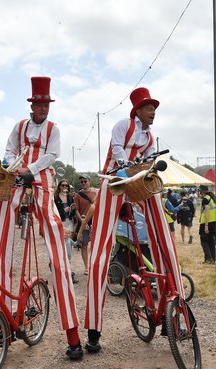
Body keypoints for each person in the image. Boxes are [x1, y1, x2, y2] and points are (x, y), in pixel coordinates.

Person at [0, 76, 82, 359]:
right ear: (33, 105)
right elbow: (8, 151)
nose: (44, 109)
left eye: (47, 105)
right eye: (40, 105)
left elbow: (51, 156)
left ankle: (73, 336)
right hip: (17, 178)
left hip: (41, 181)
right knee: (0, 229)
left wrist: (30, 169)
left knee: (55, 241)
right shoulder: (19, 128)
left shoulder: (53, 130)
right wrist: (10, 165)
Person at [83, 87, 183, 353]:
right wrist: (128, 170)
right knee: (100, 249)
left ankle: (172, 310)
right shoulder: (121, 126)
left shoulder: (150, 138)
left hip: (140, 182)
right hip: (113, 181)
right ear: (138, 109)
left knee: (163, 236)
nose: (153, 112)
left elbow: (147, 164)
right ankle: (93, 329)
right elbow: (117, 153)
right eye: (150, 107)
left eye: (154, 109)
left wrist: (142, 172)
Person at [54, 178, 78, 283]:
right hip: (60, 223)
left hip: (69, 223)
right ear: (59, 186)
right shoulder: (55, 197)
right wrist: (64, 210)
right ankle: (64, 269)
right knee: (62, 244)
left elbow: (73, 211)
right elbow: (53, 211)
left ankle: (66, 269)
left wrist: (72, 209)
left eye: (66, 185)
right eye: (63, 185)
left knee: (67, 243)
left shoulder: (69, 197)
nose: (65, 187)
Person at [73, 174, 97, 274]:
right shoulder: (78, 195)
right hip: (83, 220)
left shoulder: (95, 193)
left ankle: (94, 264)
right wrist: (82, 221)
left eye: (85, 181)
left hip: (94, 220)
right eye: (81, 181)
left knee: (95, 244)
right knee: (84, 245)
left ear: (89, 181)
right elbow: (76, 210)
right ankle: (86, 267)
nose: (83, 183)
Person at [198, 185, 216, 264]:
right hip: (213, 222)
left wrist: (206, 226)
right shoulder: (212, 198)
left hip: (206, 222)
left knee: (204, 241)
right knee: (211, 241)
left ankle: (208, 259)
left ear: (201, 191)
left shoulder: (206, 199)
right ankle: (213, 258)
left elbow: (207, 212)